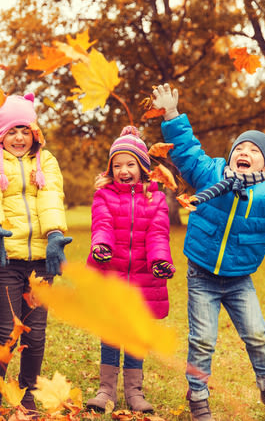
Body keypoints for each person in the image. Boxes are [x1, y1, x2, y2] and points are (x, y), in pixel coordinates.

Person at [152, 83, 265, 421]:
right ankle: (198, 396)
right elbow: (186, 151)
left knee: (258, 336)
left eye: (253, 149)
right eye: (240, 147)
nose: (244, 151)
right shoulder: (211, 173)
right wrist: (171, 114)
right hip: (202, 275)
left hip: (240, 279)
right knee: (202, 341)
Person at [0, 93, 72, 420]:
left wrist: (56, 234)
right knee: (6, 333)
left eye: (25, 130)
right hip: (5, 262)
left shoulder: (47, 162)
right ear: (2, 133)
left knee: (35, 333)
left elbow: (51, 198)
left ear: (35, 133)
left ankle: (28, 394)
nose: (18, 137)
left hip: (41, 262)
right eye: (12, 131)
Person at [84, 126, 175, 414]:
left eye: (130, 164)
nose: (124, 170)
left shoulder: (156, 198)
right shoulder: (104, 196)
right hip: (112, 272)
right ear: (111, 170)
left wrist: (160, 261)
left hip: (143, 277)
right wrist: (101, 246)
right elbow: (102, 225)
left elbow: (158, 233)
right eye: (118, 165)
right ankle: (106, 390)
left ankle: (135, 391)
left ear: (143, 167)